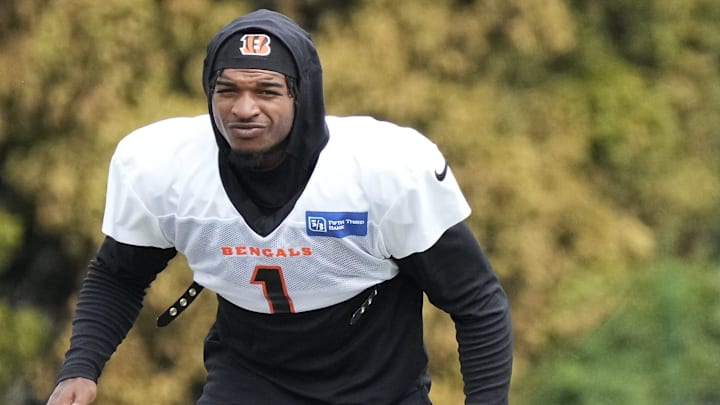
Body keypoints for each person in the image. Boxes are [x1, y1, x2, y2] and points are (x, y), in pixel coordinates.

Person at [46, 8, 513, 405]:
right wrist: (80, 368)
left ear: (302, 97)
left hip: (379, 387)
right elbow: (119, 273)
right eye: (226, 90)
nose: (243, 108)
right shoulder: (167, 167)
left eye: (266, 90)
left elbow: (477, 303)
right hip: (248, 381)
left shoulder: (381, 169)